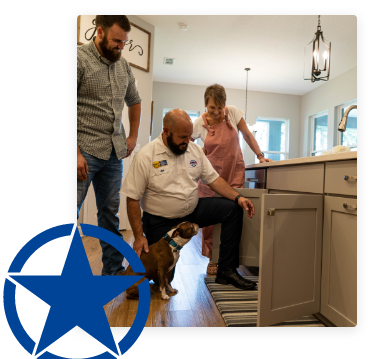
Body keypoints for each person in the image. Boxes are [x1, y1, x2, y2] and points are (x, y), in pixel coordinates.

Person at [121, 109, 257, 290]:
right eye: (182, 137)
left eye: (189, 136)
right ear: (166, 131)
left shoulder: (194, 151)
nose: (187, 141)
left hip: (191, 211)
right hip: (160, 220)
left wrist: (238, 197)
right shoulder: (146, 156)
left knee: (232, 209)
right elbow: (132, 198)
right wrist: (138, 236)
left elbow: (214, 180)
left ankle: (226, 271)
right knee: (166, 277)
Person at [77, 15, 142, 276]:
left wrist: (133, 137)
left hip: (114, 153)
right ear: (100, 32)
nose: (121, 47)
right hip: (84, 151)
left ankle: (112, 272)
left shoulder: (123, 66)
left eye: (124, 42)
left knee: (109, 216)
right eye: (117, 41)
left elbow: (134, 100)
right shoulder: (80, 59)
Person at [191, 84, 273, 275]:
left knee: (234, 215)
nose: (217, 112)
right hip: (211, 176)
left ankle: (230, 259)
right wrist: (197, 152)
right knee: (211, 221)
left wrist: (260, 156)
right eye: (213, 108)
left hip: (234, 172)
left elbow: (247, 135)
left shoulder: (234, 114)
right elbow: (187, 144)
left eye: (220, 108)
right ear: (205, 105)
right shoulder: (198, 123)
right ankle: (213, 258)